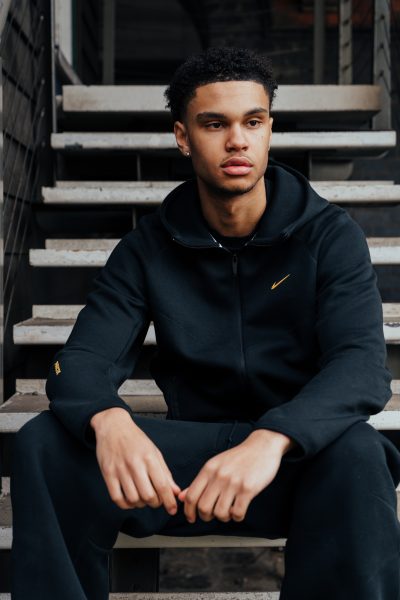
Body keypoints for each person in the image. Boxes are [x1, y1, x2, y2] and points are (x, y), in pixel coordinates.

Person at [10, 47, 400, 600]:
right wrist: (109, 420)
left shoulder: (329, 237)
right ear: (183, 136)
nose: (237, 140)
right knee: (43, 443)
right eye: (215, 124)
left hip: (290, 466)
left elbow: (360, 367)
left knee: (359, 453)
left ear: (269, 130)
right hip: (181, 474)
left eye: (253, 122)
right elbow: (82, 361)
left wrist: (271, 439)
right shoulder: (146, 249)